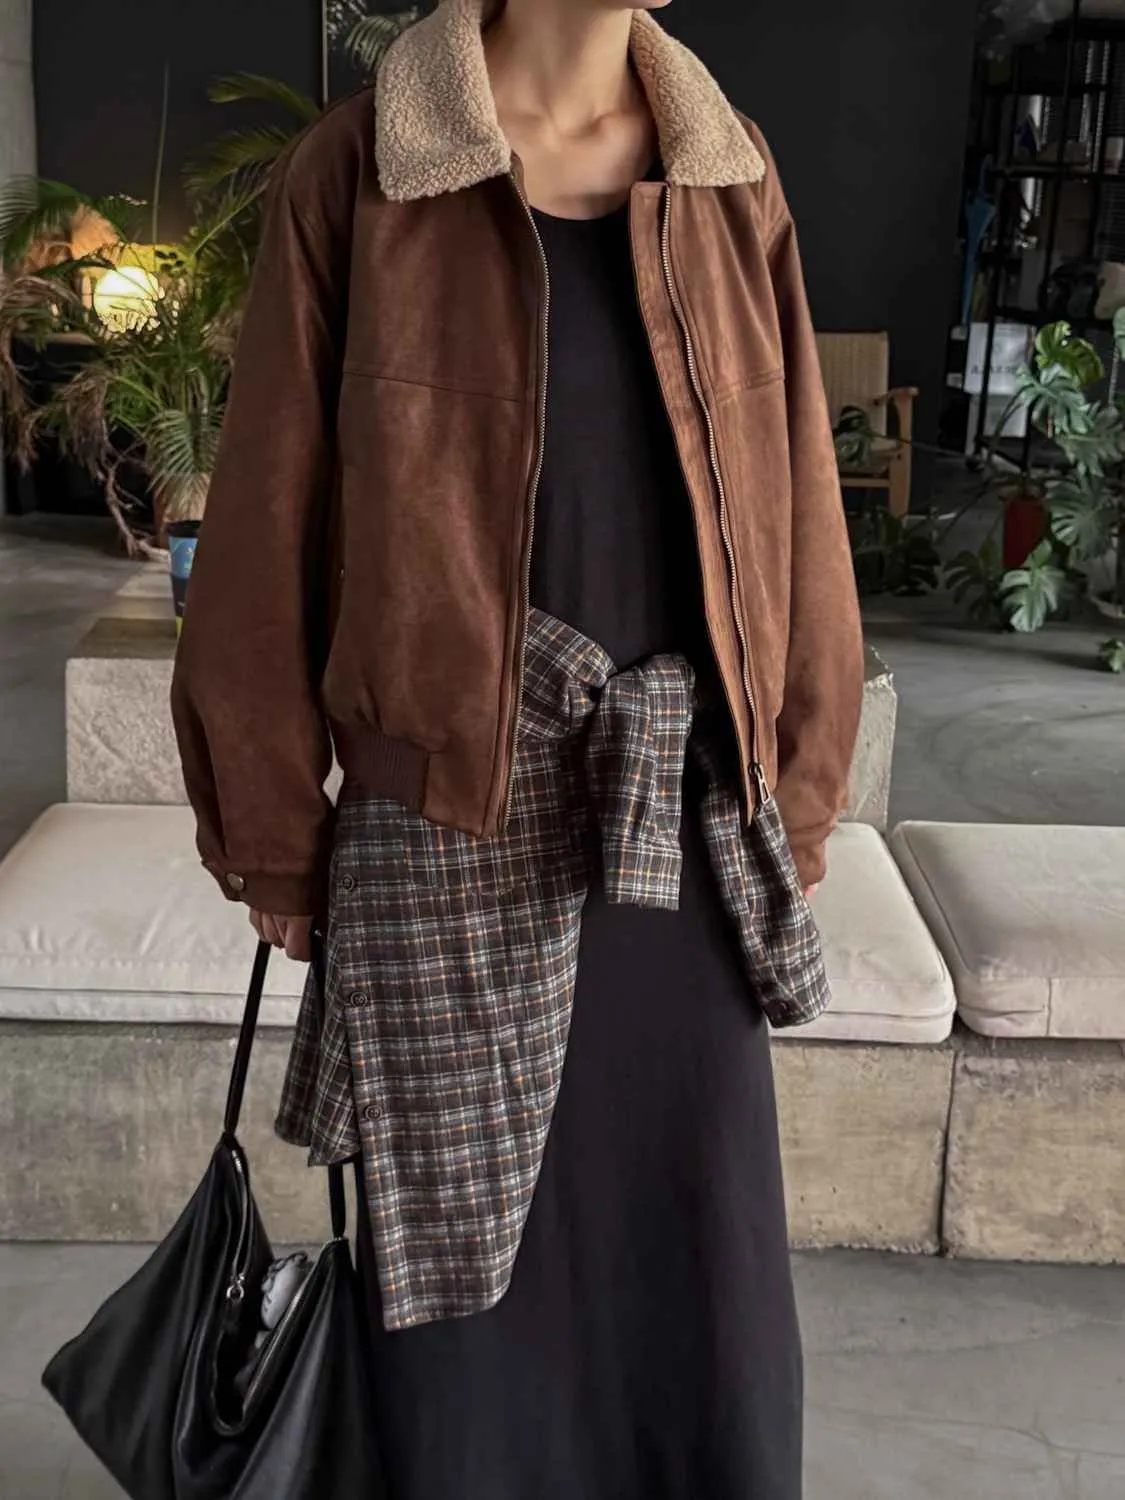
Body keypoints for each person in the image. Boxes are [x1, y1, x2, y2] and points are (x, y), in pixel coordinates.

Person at [172, 0, 864, 1494]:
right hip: (444, 834)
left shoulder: (730, 174)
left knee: (707, 1295)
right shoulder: (361, 171)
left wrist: (796, 792)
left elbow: (798, 498)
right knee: (465, 1315)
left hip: (676, 830)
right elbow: (268, 517)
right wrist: (277, 830)